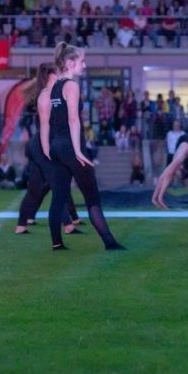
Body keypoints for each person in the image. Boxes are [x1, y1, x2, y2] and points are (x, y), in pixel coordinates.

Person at [42, 43, 123, 251]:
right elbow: (73, 120)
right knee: (92, 198)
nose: (85, 66)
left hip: (57, 147)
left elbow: (52, 121)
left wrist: (49, 148)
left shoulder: (55, 87)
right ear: (70, 63)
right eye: (82, 61)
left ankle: (56, 243)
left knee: (59, 196)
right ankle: (110, 243)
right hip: (71, 147)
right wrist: (78, 151)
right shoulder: (72, 86)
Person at [14, 63, 80, 235]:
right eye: (56, 73)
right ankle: (68, 224)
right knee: (57, 184)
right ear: (50, 75)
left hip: (39, 145)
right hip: (43, 146)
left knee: (35, 188)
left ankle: (21, 225)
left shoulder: (45, 92)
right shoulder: (47, 94)